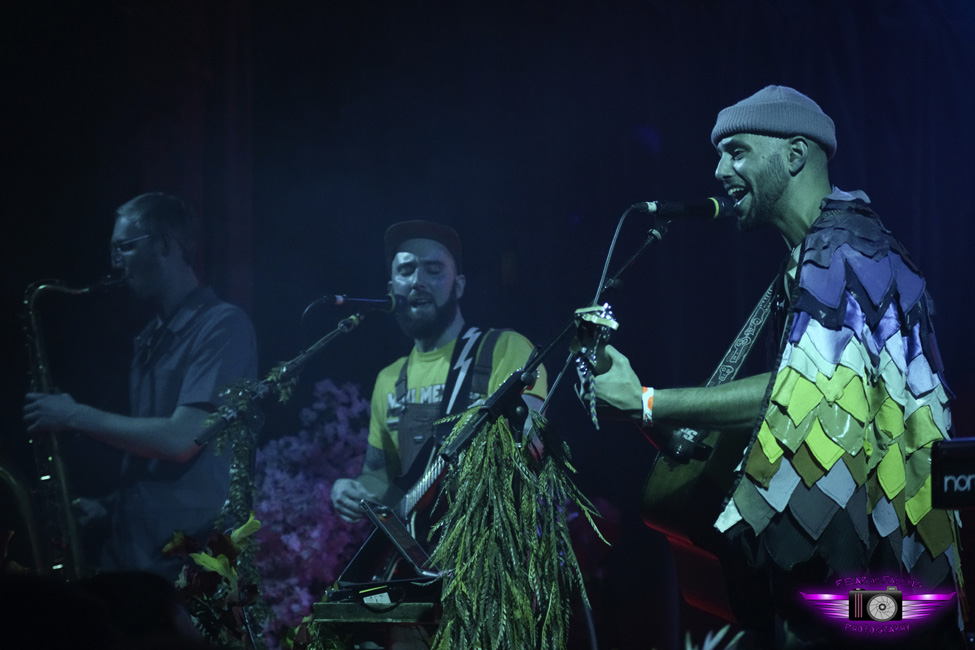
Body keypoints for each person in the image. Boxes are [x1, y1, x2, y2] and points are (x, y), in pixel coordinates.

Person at [588, 86, 965, 647]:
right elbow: (789, 424)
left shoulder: (843, 248)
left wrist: (649, 400)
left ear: (794, 155)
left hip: (878, 598)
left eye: (736, 151)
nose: (720, 170)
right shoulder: (820, 254)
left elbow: (800, 392)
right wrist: (642, 411)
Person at [23, 192, 258, 580]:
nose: (115, 262)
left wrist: (73, 415)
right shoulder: (150, 336)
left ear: (165, 244)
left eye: (125, 247)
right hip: (134, 553)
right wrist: (110, 506)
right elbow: (153, 462)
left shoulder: (223, 325)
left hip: (186, 561)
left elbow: (181, 441)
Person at [331, 220, 547, 527]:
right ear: (391, 289)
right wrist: (353, 491)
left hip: (487, 542)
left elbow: (532, 444)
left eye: (433, 270)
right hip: (414, 551)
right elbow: (379, 474)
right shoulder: (389, 378)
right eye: (406, 271)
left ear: (459, 285)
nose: (418, 281)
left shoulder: (505, 349)